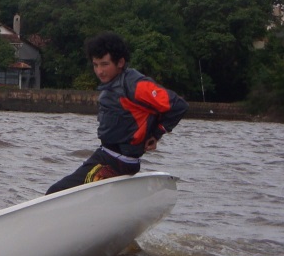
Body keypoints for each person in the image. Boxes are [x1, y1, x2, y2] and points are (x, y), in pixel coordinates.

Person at [47, 31, 188, 194]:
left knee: (56, 192)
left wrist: (156, 133)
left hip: (117, 162)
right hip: (107, 156)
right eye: (95, 65)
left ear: (120, 62)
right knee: (59, 190)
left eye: (104, 64)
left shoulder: (136, 85)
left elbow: (178, 105)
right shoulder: (112, 84)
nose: (99, 71)